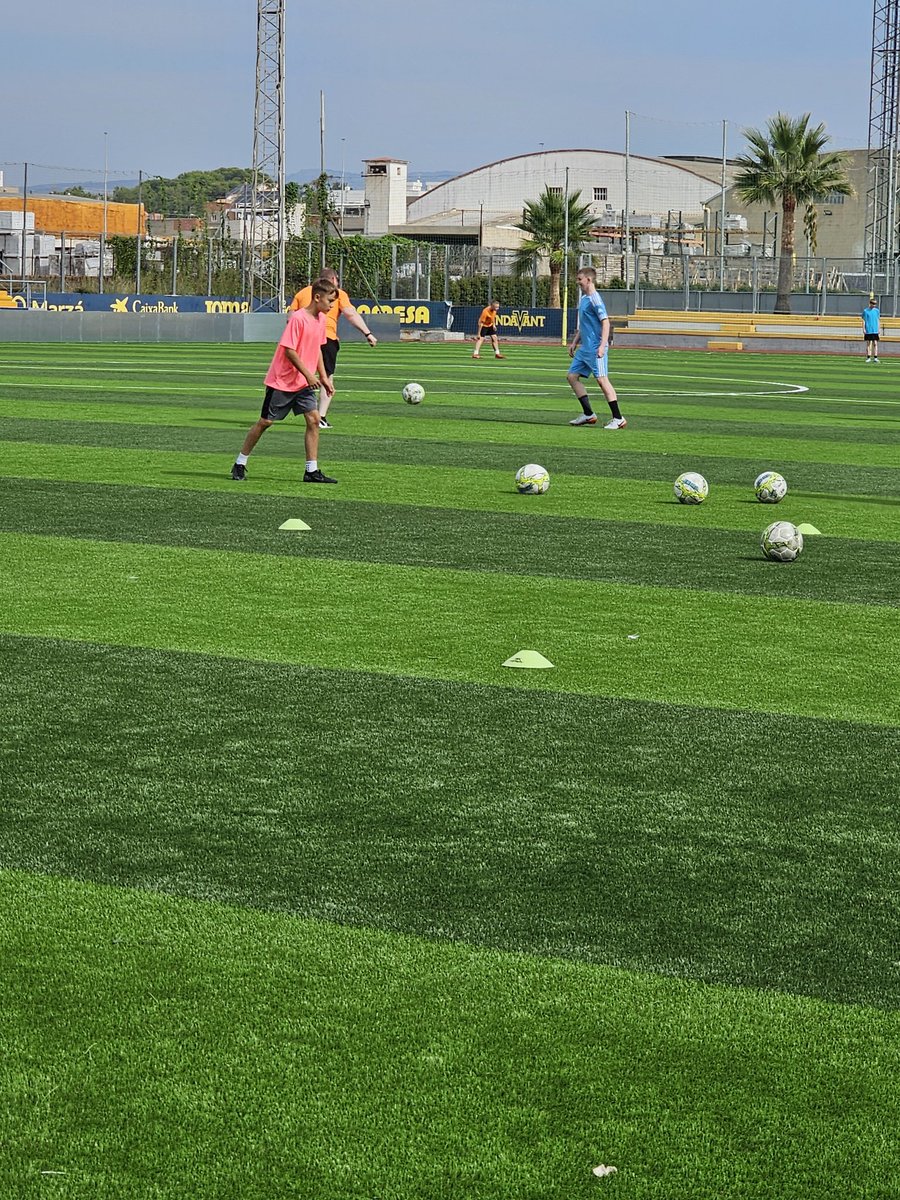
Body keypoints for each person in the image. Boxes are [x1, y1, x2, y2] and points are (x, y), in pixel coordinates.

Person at [230, 278, 338, 484]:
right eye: (330, 301)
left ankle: (311, 470)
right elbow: (289, 350)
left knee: (314, 420)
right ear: (317, 297)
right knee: (265, 422)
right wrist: (309, 375)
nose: (332, 305)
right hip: (283, 381)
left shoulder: (321, 320)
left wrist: (323, 377)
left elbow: (317, 349)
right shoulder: (298, 318)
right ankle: (240, 462)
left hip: (304, 383)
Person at [289, 267, 377, 427]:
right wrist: (367, 333)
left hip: (304, 339)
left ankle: (300, 409)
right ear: (333, 280)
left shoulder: (302, 293)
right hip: (326, 338)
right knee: (327, 377)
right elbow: (350, 314)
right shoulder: (337, 294)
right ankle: (320, 417)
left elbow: (290, 317)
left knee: (303, 373)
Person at [567, 267, 626, 429]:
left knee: (602, 380)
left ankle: (618, 418)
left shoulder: (595, 299)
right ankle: (588, 414)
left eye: (580, 279)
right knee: (572, 377)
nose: (578, 282)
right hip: (585, 348)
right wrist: (574, 342)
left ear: (588, 280)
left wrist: (602, 346)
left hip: (595, 348)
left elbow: (605, 322)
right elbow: (584, 325)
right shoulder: (584, 299)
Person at [862, 298, 881, 363]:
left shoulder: (877, 311)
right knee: (868, 344)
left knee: (875, 343)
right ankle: (868, 357)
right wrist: (864, 329)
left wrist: (878, 328)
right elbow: (864, 320)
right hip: (868, 329)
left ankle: (875, 357)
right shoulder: (865, 311)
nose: (874, 305)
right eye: (873, 303)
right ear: (870, 303)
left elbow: (878, 320)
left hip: (875, 330)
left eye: (875, 304)